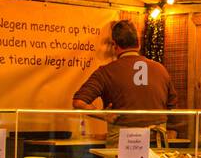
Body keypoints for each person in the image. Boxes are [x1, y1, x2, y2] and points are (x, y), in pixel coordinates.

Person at [72, 19, 176, 147]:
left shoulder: (106, 72)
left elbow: (79, 102)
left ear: (115, 45)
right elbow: (171, 106)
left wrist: (104, 115)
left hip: (122, 143)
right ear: (138, 44)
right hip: (156, 142)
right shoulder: (161, 69)